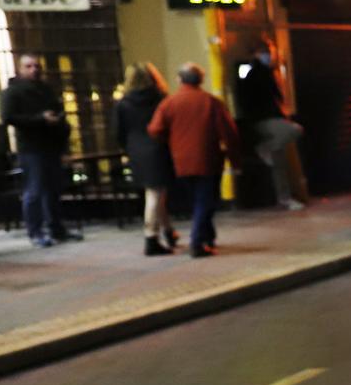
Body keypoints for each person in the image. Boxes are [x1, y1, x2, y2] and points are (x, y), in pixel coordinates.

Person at [148, 64, 240, 258]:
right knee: (206, 201)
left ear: (179, 79)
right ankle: (197, 242)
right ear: (200, 80)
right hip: (209, 159)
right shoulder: (211, 102)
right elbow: (229, 134)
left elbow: (155, 129)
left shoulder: (169, 103)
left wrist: (171, 140)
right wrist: (235, 160)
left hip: (181, 160)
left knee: (198, 201)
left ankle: (208, 237)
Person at [0, 52, 74, 248]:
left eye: (37, 66)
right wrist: (41, 119)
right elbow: (9, 117)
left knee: (53, 190)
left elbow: (59, 111)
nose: (34, 70)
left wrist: (59, 124)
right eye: (29, 66)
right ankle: (36, 232)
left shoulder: (46, 90)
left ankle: (57, 228)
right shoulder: (12, 92)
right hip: (31, 148)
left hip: (51, 146)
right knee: (34, 191)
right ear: (20, 69)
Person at [112, 62, 178, 255]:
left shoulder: (122, 104)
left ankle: (167, 230)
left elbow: (118, 132)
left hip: (136, 150)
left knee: (155, 192)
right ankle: (151, 236)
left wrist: (127, 148)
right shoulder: (160, 99)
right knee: (156, 193)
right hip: (158, 148)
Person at [235, 45, 305, 211]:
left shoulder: (250, 73)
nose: (269, 57)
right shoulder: (262, 72)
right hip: (266, 119)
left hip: (257, 120)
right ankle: (265, 148)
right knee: (294, 131)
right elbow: (274, 96)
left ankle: (284, 197)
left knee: (278, 162)